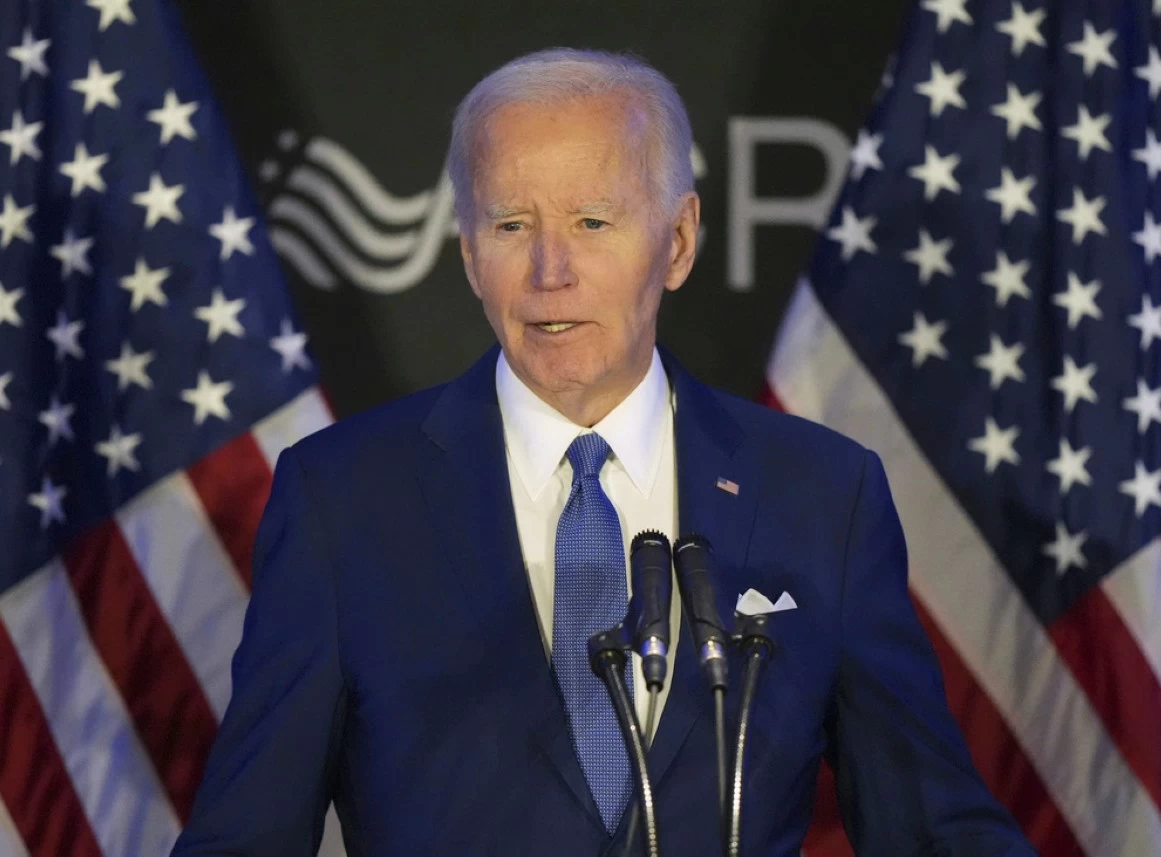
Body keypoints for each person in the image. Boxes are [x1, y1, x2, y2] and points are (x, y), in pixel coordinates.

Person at [171, 48, 1036, 856]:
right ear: (470, 254)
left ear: (680, 240)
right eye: (512, 225)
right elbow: (246, 836)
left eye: (593, 220)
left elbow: (932, 825)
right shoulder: (344, 500)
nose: (552, 270)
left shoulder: (821, 494)